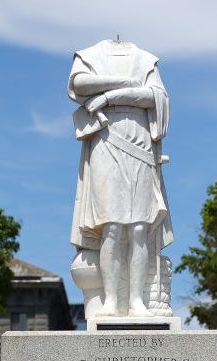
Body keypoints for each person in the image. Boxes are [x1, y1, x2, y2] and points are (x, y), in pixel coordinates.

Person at [68, 39, 174, 317]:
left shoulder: (146, 59)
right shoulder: (89, 55)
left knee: (139, 227)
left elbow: (155, 97)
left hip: (139, 139)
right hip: (106, 138)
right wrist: (126, 83)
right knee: (111, 227)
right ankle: (112, 301)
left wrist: (107, 96)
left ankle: (136, 300)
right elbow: (79, 85)